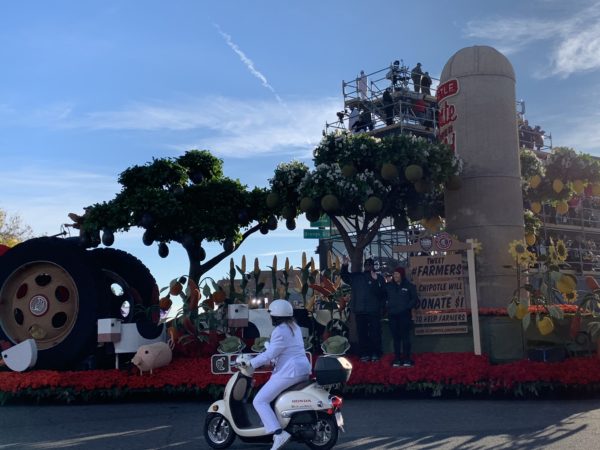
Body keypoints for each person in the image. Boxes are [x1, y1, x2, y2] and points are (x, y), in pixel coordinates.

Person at [248, 299, 311, 450]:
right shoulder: (293, 327)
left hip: (289, 372)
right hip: (302, 369)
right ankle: (270, 425)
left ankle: (278, 433)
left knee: (260, 400)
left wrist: (251, 363)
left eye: (271, 315)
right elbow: (284, 349)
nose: (270, 317)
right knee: (271, 396)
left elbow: (270, 354)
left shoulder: (280, 331)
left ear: (275, 316)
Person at [341, 256, 386, 362]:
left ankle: (375, 353)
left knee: (375, 333)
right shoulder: (357, 277)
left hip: (374, 310)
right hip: (360, 310)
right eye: (366, 265)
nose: (368, 267)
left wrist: (382, 308)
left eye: (370, 265)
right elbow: (345, 276)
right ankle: (364, 354)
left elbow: (383, 294)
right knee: (362, 333)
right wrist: (345, 265)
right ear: (364, 266)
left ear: (373, 266)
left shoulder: (379, 277)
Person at [384, 267, 418, 367]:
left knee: (405, 338)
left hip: (405, 316)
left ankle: (407, 359)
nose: (395, 276)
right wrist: (386, 306)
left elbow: (415, 299)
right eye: (394, 274)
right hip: (393, 316)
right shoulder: (389, 286)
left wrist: (407, 307)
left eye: (397, 274)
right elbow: (383, 297)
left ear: (402, 275)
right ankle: (397, 359)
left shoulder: (409, 286)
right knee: (396, 338)